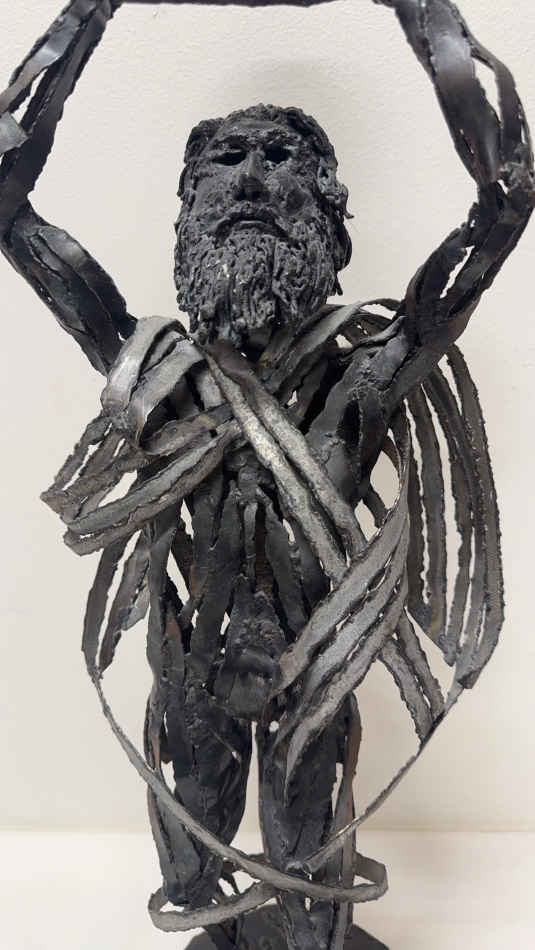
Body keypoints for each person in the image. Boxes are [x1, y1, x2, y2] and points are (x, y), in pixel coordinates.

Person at [1, 3, 533, 949]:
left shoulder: (366, 374)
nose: (250, 178)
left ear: (330, 214)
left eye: (282, 159)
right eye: (226, 161)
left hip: (318, 670)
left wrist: (423, 17)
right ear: (186, 213)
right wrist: (87, 12)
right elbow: (7, 201)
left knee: (311, 889)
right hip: (192, 669)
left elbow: (503, 204)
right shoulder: (157, 378)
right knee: (193, 878)